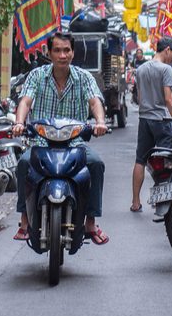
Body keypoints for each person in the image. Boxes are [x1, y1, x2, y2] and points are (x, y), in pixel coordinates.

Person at [12, 32, 110, 245]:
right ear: (49, 53)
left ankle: (90, 222)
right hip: (42, 143)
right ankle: (25, 220)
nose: (62, 55)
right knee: (24, 163)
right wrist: (20, 123)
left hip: (75, 144)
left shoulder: (84, 77)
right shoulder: (37, 76)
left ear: (73, 52)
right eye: (57, 50)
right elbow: (26, 101)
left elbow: (95, 102)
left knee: (96, 164)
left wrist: (100, 122)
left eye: (66, 50)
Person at [130, 37, 172, 212]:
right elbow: (168, 99)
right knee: (165, 160)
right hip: (161, 120)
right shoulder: (166, 69)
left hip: (145, 119)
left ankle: (135, 202)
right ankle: (162, 201)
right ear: (167, 50)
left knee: (140, 160)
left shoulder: (141, 69)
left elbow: (140, 96)